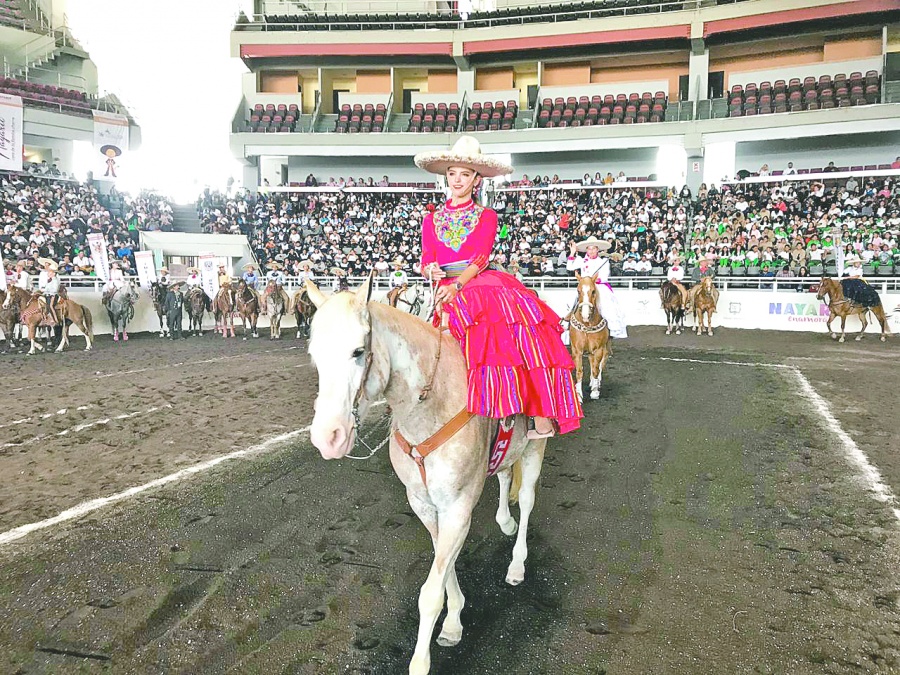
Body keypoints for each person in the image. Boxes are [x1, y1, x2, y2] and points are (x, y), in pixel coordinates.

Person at [414, 135, 582, 439]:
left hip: (476, 282)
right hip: (444, 286)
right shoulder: (431, 219)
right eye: (452, 173)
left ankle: (530, 414)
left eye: (464, 175)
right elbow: (427, 257)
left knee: (512, 331)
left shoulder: (486, 216)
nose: (457, 180)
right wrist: (430, 269)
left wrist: (457, 286)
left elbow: (481, 257)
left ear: (476, 180)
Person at [566, 235, 628, 339]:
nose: (591, 251)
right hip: (585, 287)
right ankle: (568, 325)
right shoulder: (581, 260)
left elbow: (603, 277)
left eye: (593, 248)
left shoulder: (603, 262)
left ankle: (612, 329)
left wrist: (592, 281)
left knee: (606, 304)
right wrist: (572, 252)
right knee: (572, 301)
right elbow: (569, 266)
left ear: (597, 250)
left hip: (598, 286)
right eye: (589, 249)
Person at [37, 258, 61, 324]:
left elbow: (56, 288)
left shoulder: (55, 278)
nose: (46, 266)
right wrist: (44, 289)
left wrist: (47, 290)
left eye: (48, 265)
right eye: (45, 265)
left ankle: (55, 319)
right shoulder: (44, 275)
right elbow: (43, 285)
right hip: (45, 292)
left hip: (52, 294)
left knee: (50, 306)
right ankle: (43, 317)